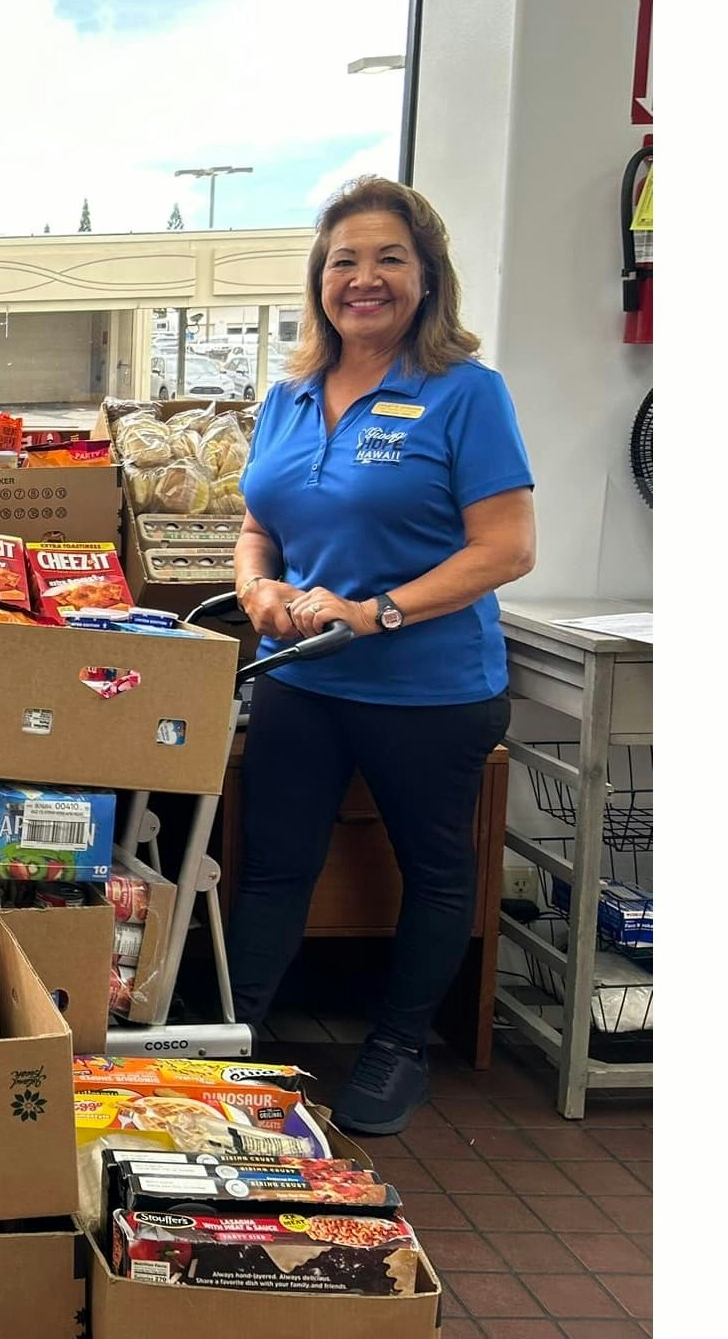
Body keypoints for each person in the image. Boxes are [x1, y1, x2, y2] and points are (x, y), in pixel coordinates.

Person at [225, 176, 538, 1135]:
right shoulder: (287, 395)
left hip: (430, 689)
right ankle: (234, 1043)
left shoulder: (463, 394)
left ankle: (398, 1050)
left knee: (435, 872)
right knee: (273, 867)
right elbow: (255, 526)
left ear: (426, 277)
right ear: (319, 280)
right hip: (303, 681)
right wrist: (257, 590)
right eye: (343, 261)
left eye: (387, 259)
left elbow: (507, 548)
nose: (363, 279)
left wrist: (377, 614)